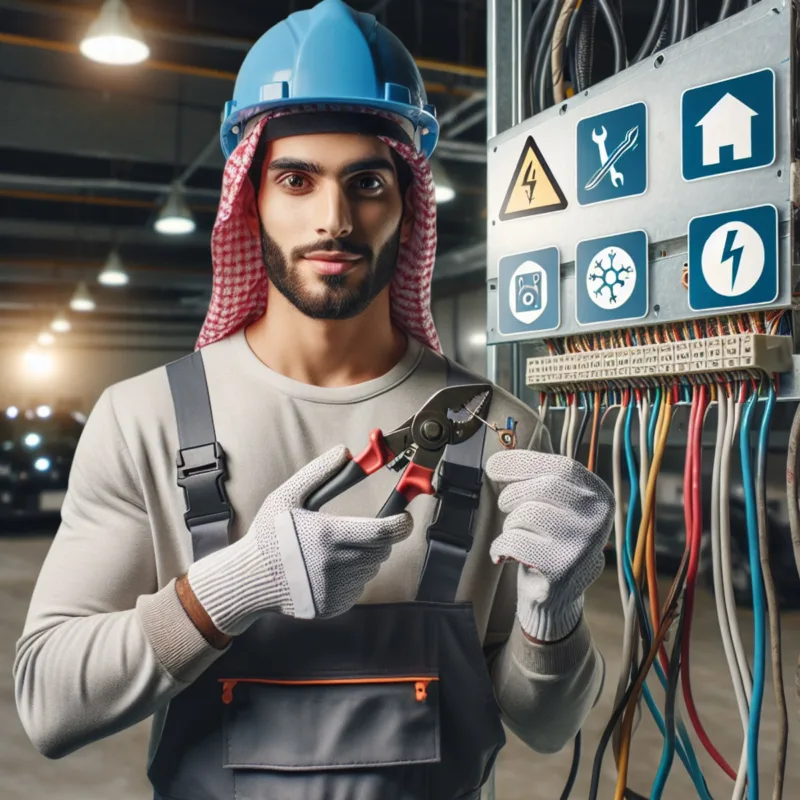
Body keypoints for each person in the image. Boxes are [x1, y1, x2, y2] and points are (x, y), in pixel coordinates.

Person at [13, 2, 614, 798]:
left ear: (407, 202)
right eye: (297, 179)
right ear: (250, 197)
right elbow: (48, 705)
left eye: (366, 182)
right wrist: (237, 585)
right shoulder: (145, 419)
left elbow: (547, 726)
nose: (334, 219)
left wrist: (554, 618)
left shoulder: (500, 430)